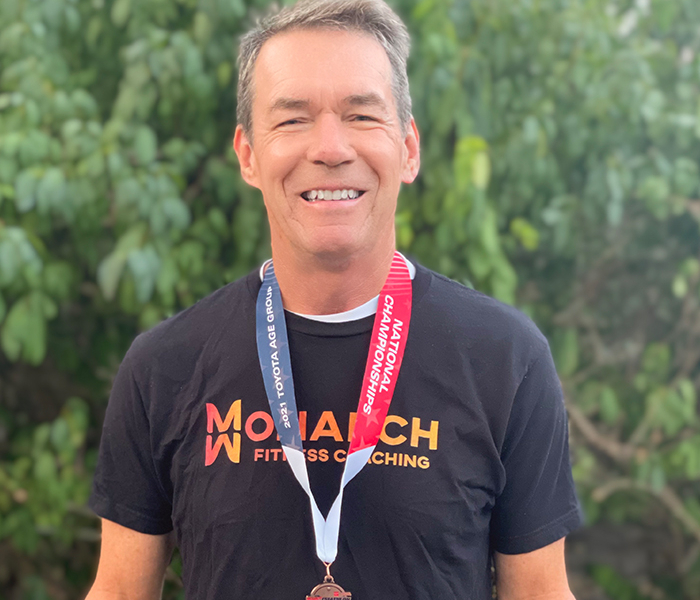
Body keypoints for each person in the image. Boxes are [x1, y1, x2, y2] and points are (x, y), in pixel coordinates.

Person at [86, 0, 582, 598]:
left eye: (361, 116)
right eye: (292, 120)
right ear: (248, 154)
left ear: (408, 148)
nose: (328, 147)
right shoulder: (165, 366)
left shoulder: (504, 359)